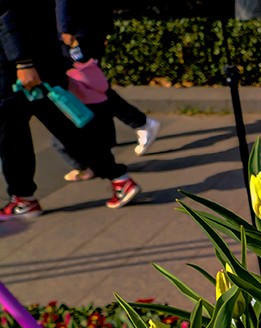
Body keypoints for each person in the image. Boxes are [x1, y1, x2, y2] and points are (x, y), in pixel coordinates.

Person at [0, 0, 141, 220]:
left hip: (20, 67)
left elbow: (7, 13)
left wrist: (23, 62)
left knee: (16, 133)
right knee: (60, 126)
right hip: (38, 57)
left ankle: (24, 198)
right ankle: (118, 176)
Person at [55, 0, 160, 179]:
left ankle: (138, 125)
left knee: (89, 90)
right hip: (88, 29)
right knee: (91, 89)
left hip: (78, 33)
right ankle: (102, 152)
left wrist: (65, 30)